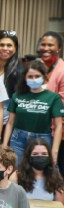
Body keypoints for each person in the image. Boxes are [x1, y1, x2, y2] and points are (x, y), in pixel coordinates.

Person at [3, 60, 63, 165]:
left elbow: (58, 126)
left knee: (42, 170)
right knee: (17, 170)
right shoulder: (17, 95)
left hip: (43, 139)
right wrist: (4, 144)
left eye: (37, 76)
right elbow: (10, 122)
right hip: (18, 139)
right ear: (25, 78)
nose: (34, 79)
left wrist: (55, 150)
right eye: (30, 76)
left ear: (44, 77)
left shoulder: (54, 97)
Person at [0, 30, 23, 140]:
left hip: (5, 125)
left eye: (9, 45)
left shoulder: (18, 72)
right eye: (2, 45)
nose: (5, 48)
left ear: (15, 48)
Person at [42, 32, 64, 175]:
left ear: (59, 48)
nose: (46, 48)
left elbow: (61, 102)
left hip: (57, 132)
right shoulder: (40, 67)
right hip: (41, 129)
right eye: (43, 44)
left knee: (56, 171)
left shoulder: (61, 70)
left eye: (50, 45)